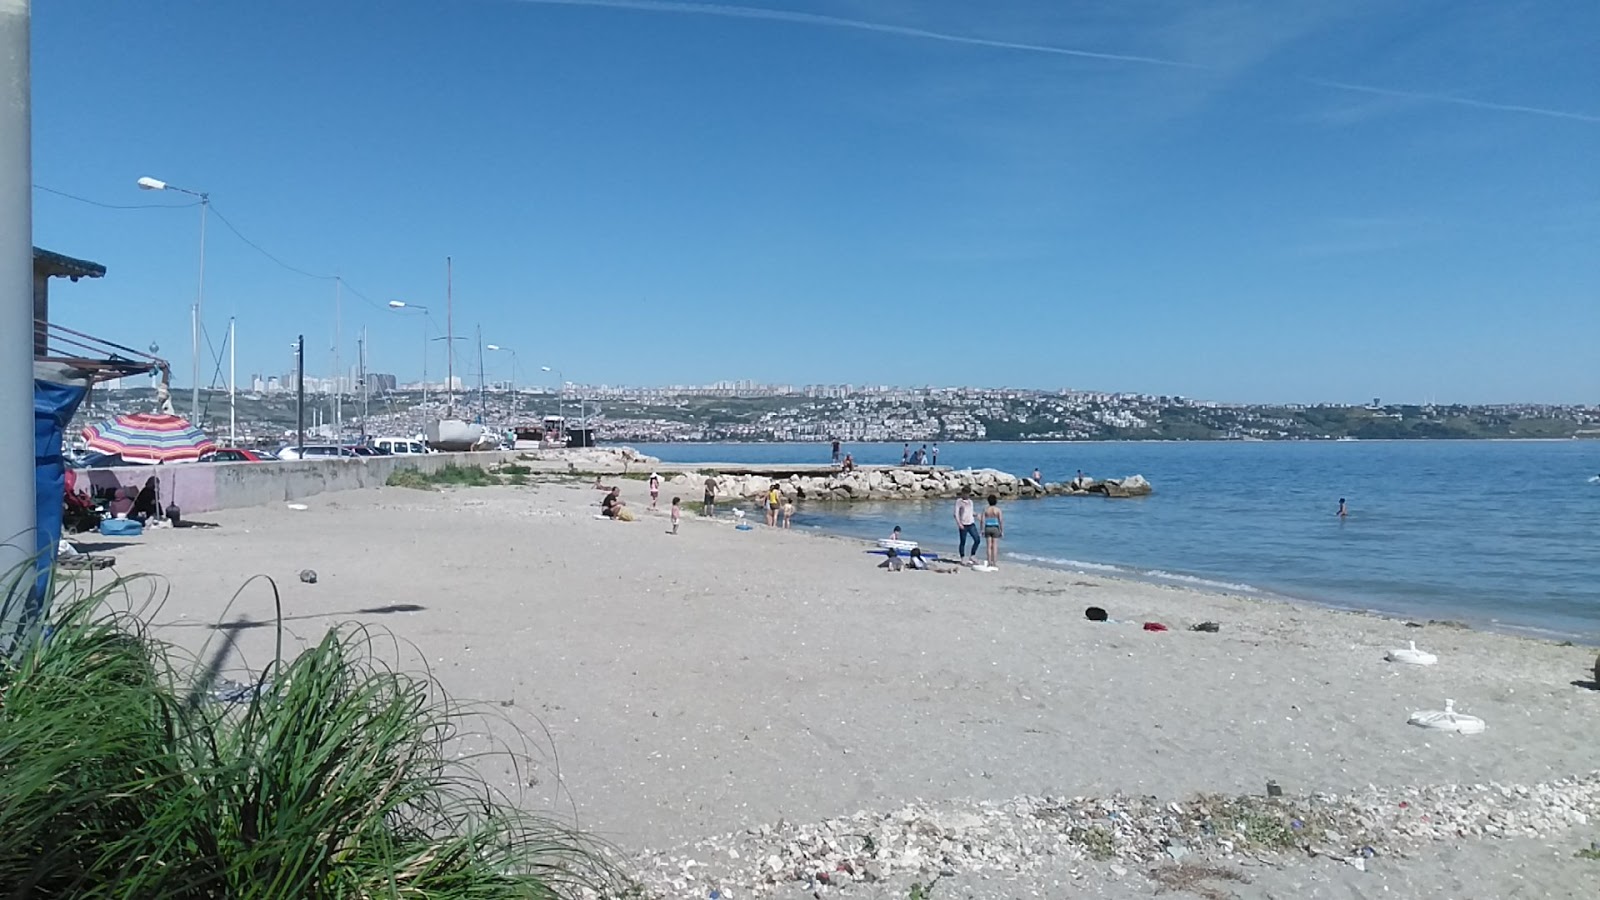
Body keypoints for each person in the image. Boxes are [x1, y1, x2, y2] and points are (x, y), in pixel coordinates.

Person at [954, 489, 980, 561]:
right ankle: (962, 557)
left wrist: (977, 515)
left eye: (968, 494)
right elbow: (956, 514)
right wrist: (959, 524)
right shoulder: (959, 501)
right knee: (963, 541)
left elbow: (971, 512)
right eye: (965, 493)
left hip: (971, 523)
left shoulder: (970, 502)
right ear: (962, 493)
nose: (967, 495)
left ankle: (972, 555)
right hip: (963, 524)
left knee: (977, 539)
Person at [981, 494, 1004, 569]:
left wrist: (982, 529)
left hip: (987, 527)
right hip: (995, 527)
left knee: (988, 546)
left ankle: (989, 562)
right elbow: (1000, 521)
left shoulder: (985, 509)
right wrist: (1001, 530)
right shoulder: (998, 510)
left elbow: (983, 520)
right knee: (995, 546)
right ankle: (994, 562)